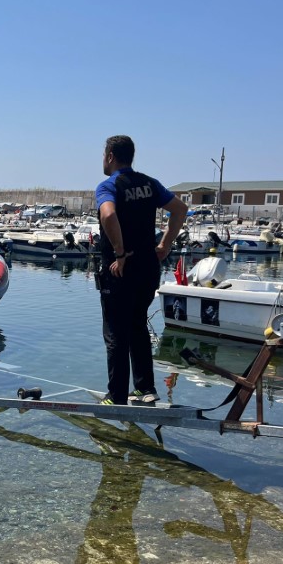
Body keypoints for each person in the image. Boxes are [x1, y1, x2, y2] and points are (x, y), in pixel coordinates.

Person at [96, 135, 187, 405]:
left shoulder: (109, 185)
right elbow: (180, 209)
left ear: (110, 156)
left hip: (119, 270)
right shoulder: (149, 183)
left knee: (115, 332)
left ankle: (116, 396)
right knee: (138, 325)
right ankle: (146, 389)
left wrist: (120, 253)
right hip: (148, 267)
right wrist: (165, 245)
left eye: (103, 155)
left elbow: (109, 215)